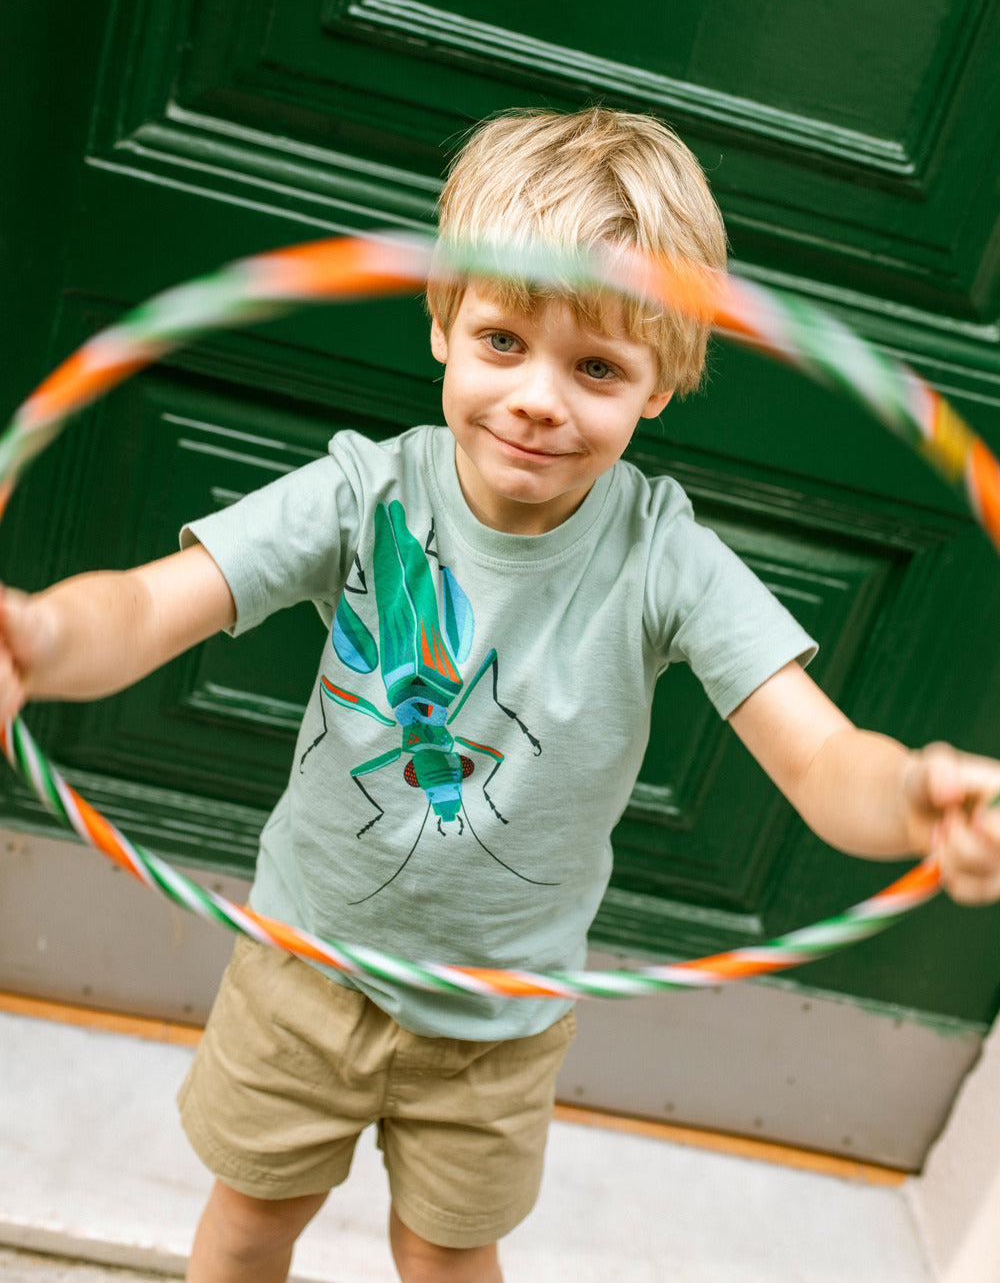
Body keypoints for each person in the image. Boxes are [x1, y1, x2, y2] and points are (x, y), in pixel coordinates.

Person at [1, 106, 999, 1283]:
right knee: (253, 1221)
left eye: (597, 368)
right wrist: (38, 635)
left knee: (446, 1253)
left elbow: (824, 766)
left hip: (498, 1018)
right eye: (503, 342)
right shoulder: (358, 496)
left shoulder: (665, 561)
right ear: (442, 324)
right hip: (303, 967)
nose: (537, 398)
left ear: (662, 384)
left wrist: (916, 800)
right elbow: (151, 608)